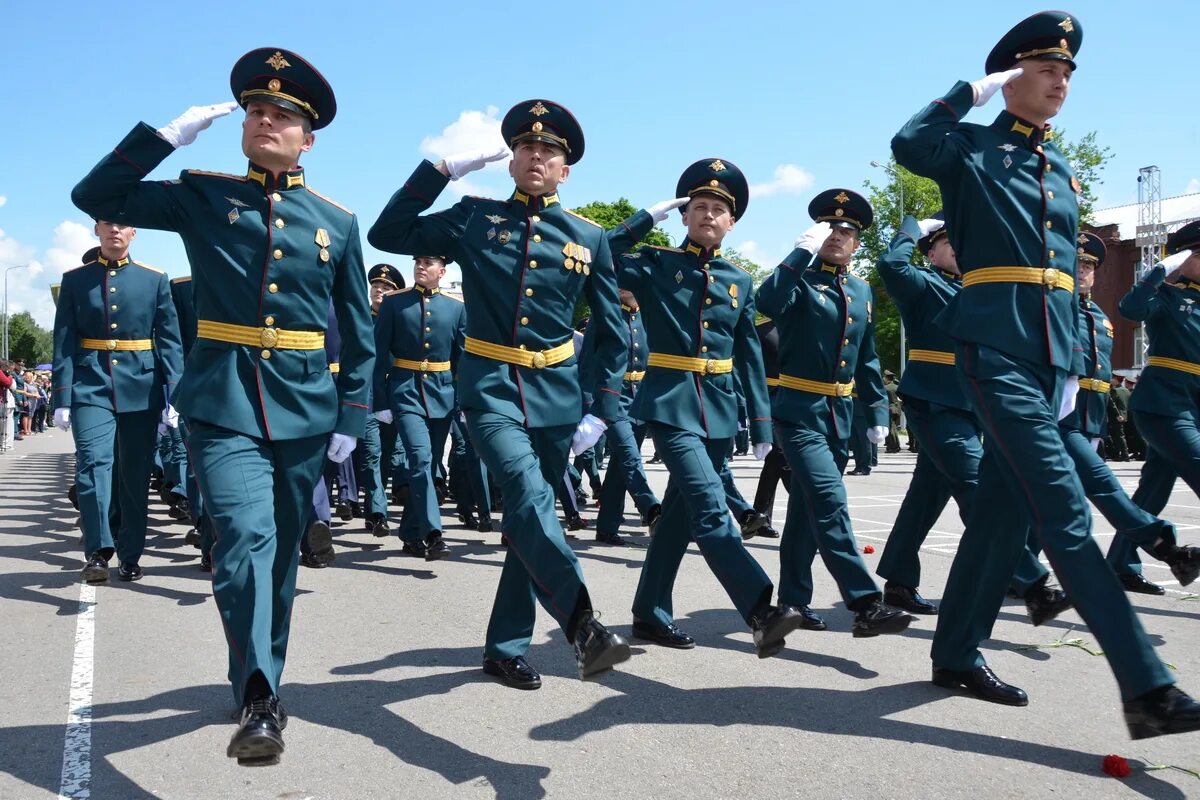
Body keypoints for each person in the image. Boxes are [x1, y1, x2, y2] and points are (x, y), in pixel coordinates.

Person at [892, 11, 1200, 738]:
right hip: (994, 350)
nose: (1061, 80)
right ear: (1011, 78)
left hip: (1049, 361)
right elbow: (908, 143)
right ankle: (1146, 688)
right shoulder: (968, 147)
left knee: (1001, 515)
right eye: (1046, 68)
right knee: (1061, 511)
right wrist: (970, 90)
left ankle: (957, 653)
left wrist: (1069, 369)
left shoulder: (1059, 167)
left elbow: (1060, 275)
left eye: (1067, 71)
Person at [72, 47, 375, 762]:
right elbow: (96, 198)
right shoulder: (200, 193)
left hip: (306, 409)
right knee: (243, 540)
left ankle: (254, 678)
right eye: (255, 111)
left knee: (280, 560)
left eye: (283, 115)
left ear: (309, 137)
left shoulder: (336, 220)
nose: (265, 120)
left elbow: (358, 330)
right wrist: (164, 138)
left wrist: (352, 419)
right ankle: (263, 699)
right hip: (225, 400)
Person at [368, 98, 632, 691]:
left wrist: (601, 406)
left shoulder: (588, 235)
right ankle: (583, 622)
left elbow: (613, 330)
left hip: (559, 395)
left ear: (566, 170)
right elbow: (387, 232)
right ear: (511, 161)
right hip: (489, 388)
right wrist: (440, 171)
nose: (537, 156)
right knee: (530, 492)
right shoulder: (474, 217)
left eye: (550, 151)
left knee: (526, 516)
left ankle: (504, 647)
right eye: (526, 148)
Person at [612, 158, 804, 656]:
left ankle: (649, 615)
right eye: (699, 206)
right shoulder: (654, 262)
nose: (708, 215)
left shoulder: (738, 279)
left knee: (677, 517)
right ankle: (760, 609)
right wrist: (644, 219)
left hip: (718, 409)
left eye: (719, 209)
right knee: (710, 506)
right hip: (671, 401)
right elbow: (598, 255)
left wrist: (760, 420)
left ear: (732, 221)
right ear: (684, 215)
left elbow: (749, 356)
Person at [755, 189, 911, 637]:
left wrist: (877, 409)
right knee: (829, 499)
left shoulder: (860, 290)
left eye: (846, 232)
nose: (837, 237)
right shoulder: (798, 279)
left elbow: (866, 357)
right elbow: (766, 303)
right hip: (799, 412)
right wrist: (798, 252)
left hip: (840, 415)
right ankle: (865, 603)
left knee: (807, 511)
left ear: (857, 243)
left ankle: (792, 603)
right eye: (830, 229)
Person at [53, 229, 184, 585]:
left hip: (141, 386)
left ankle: (131, 554)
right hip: (90, 383)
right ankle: (98, 551)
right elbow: (63, 340)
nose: (114, 231)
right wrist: (62, 396)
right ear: (97, 230)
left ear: (133, 233)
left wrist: (174, 391)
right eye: (107, 223)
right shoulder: (75, 280)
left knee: (134, 475)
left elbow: (170, 340)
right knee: (93, 463)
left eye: (121, 225)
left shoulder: (154, 279)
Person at [1106, 222, 1200, 593]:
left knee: (1152, 493)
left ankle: (1120, 564)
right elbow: (1130, 309)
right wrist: (1157, 272)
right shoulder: (1166, 296)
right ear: (1183, 257)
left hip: (1192, 408)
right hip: (1165, 406)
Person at [372, 255, 465, 560]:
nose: (421, 267)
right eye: (418, 262)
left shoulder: (455, 308)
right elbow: (378, 353)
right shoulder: (395, 303)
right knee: (420, 458)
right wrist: (380, 400)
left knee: (429, 464)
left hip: (442, 394)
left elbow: (462, 361)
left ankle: (411, 534)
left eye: (429, 262)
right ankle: (434, 533)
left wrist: (464, 400)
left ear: (443, 270)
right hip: (405, 390)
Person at [588, 288, 661, 547]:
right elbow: (587, 360)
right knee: (630, 457)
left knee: (620, 467)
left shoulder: (650, 315)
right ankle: (651, 508)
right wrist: (588, 403)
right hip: (613, 399)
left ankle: (607, 527)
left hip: (640, 398)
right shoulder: (605, 315)